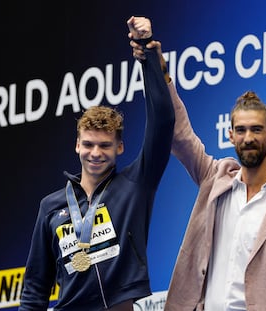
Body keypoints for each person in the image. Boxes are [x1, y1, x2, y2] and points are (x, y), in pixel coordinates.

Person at [130, 20, 266, 311]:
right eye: (242, 130)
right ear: (231, 135)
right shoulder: (216, 178)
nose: (249, 138)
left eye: (257, 130)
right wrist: (160, 72)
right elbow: (180, 134)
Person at [19, 17, 175, 311]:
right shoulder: (51, 207)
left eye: (105, 145)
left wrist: (147, 53)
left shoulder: (136, 185)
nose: (95, 153)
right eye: (88, 144)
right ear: (77, 145)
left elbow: (164, 121)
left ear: (119, 147)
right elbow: (35, 288)